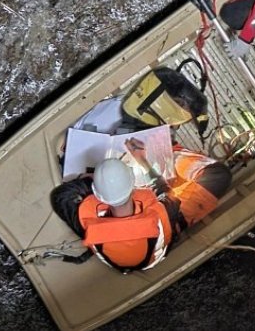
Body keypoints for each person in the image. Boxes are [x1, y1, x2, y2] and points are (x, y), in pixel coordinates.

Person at [50, 67, 232, 273]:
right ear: (133, 185)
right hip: (155, 245)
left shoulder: (88, 218)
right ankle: (167, 153)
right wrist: (146, 162)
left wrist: (89, 180)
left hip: (124, 250)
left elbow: (60, 197)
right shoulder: (157, 215)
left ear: (99, 196)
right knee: (219, 176)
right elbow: (166, 194)